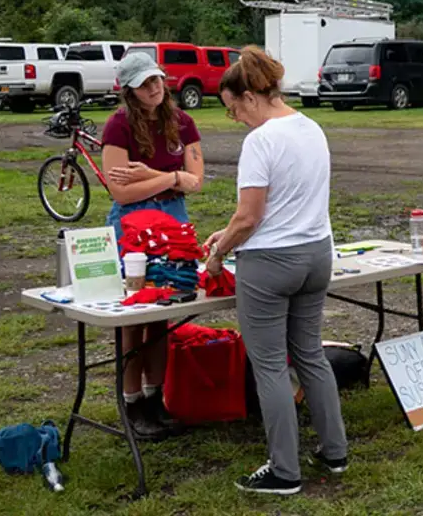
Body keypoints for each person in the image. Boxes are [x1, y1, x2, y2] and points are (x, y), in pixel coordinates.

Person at [204, 46, 348, 495]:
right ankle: (334, 450)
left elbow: (250, 217)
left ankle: (284, 470)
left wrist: (218, 251)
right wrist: (224, 233)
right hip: (315, 252)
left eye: (233, 110)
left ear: (250, 97)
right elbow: (278, 205)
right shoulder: (311, 127)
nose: (236, 120)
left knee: (268, 366)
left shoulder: (261, 141)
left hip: (270, 263)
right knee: (310, 354)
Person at [101, 52, 205, 441]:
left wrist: (154, 176)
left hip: (172, 220)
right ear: (129, 88)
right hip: (133, 223)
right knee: (135, 312)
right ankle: (132, 403)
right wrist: (168, 178)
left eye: (157, 79)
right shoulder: (118, 126)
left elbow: (197, 180)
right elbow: (120, 190)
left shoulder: (183, 121)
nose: (155, 87)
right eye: (145, 83)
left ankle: (156, 397)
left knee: (162, 311)